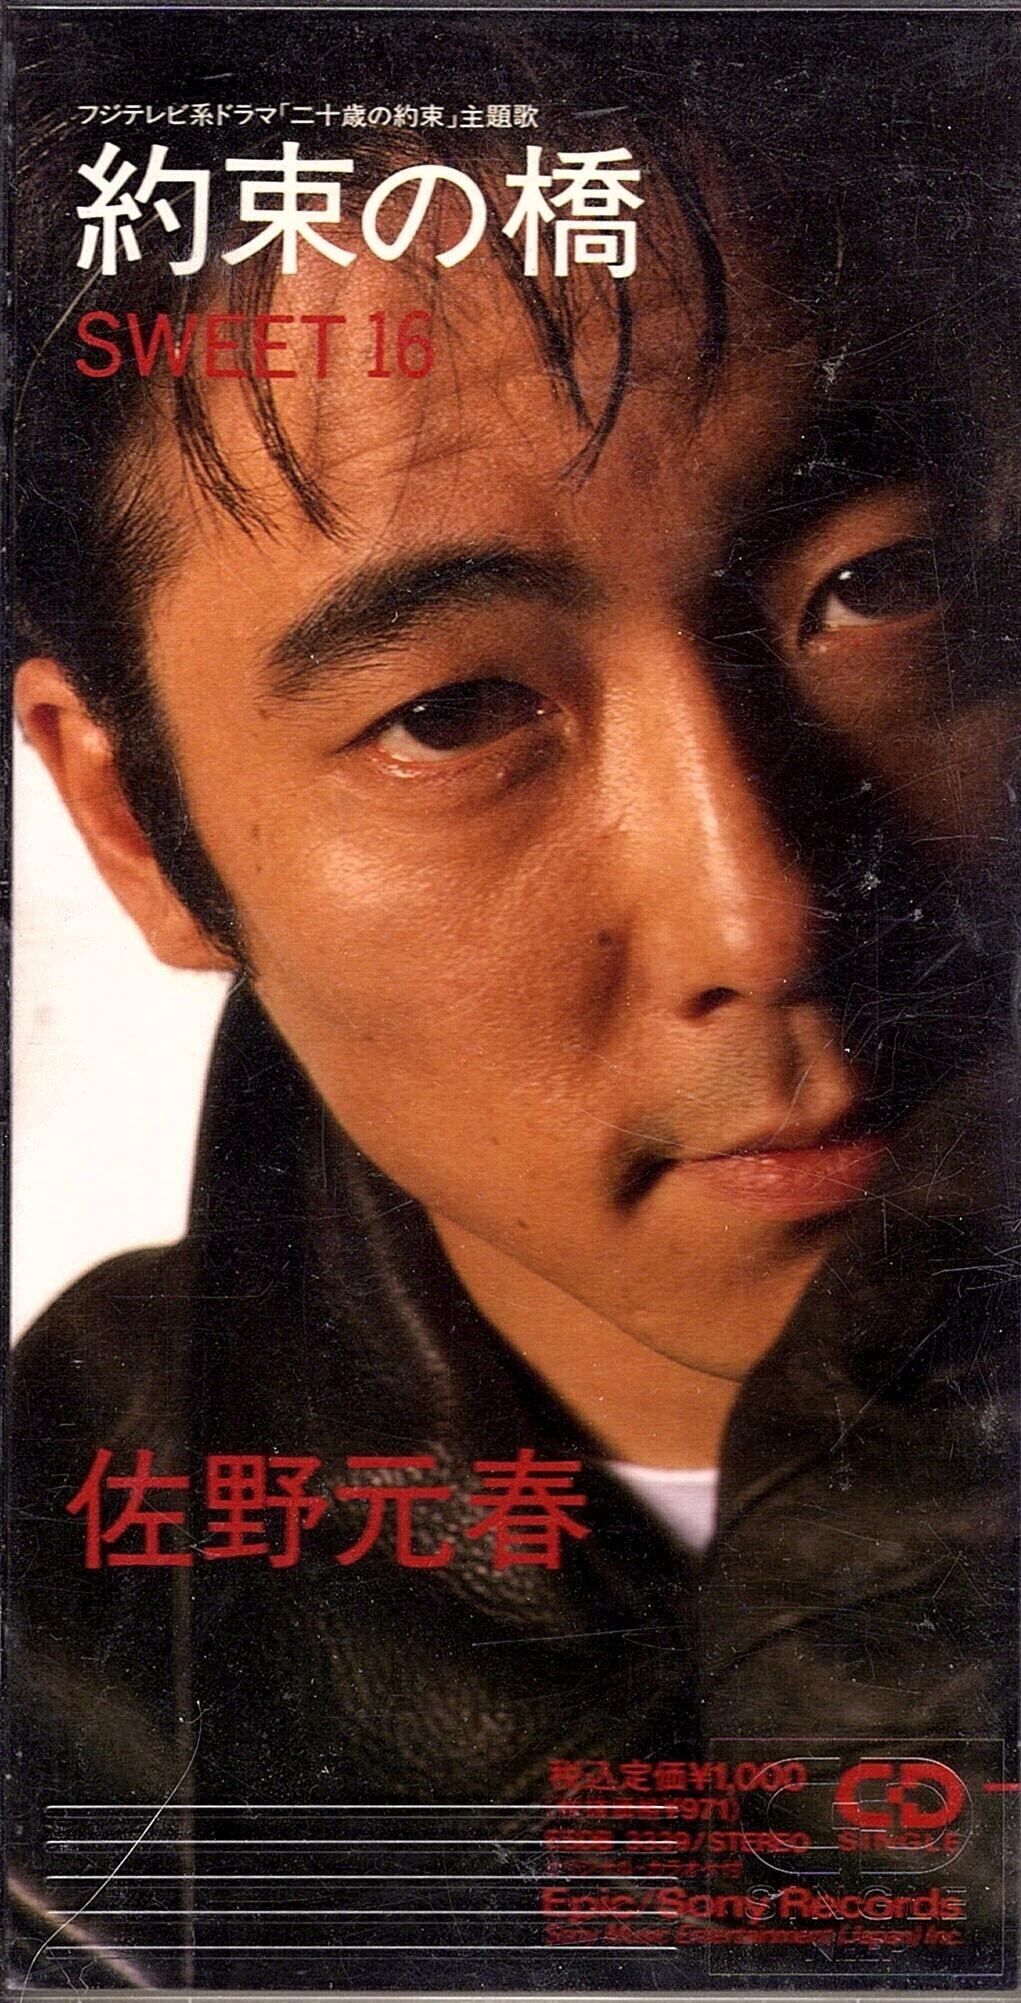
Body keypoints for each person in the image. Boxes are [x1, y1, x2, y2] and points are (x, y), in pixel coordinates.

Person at [8, 11, 1020, 1990]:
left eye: (878, 587)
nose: (761, 913)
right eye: (455, 712)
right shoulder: (57, 1692)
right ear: (133, 827)